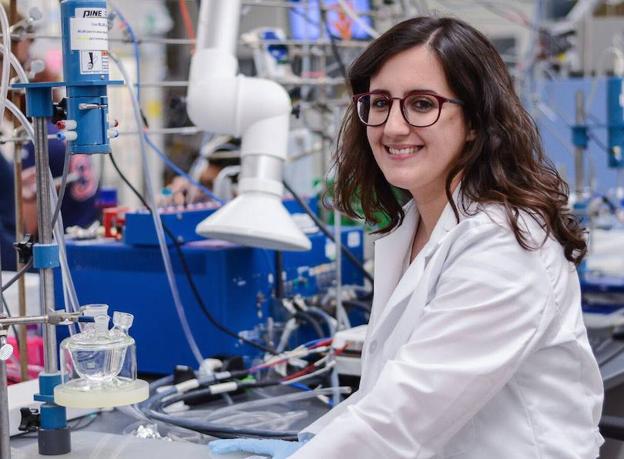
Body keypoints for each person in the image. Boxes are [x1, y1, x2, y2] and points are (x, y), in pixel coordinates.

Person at [209, 16, 603, 458]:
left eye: (421, 104)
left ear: (474, 120)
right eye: (380, 103)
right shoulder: (412, 224)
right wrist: (309, 442)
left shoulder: (506, 243)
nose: (392, 127)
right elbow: (388, 392)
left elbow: (406, 414)